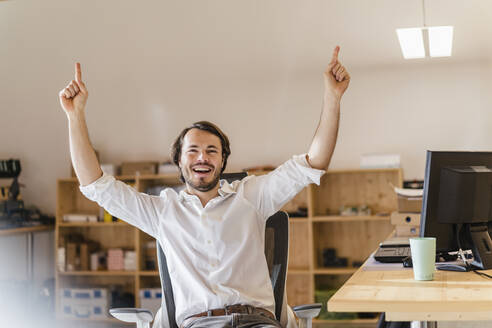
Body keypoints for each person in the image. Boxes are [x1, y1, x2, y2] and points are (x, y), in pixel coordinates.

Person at [59, 46, 350, 328]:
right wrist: (75, 116)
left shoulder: (252, 196)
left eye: (212, 151)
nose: (203, 157)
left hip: (257, 322)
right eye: (193, 150)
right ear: (179, 160)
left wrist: (332, 98)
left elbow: (315, 162)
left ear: (223, 161)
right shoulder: (162, 211)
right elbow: (95, 184)